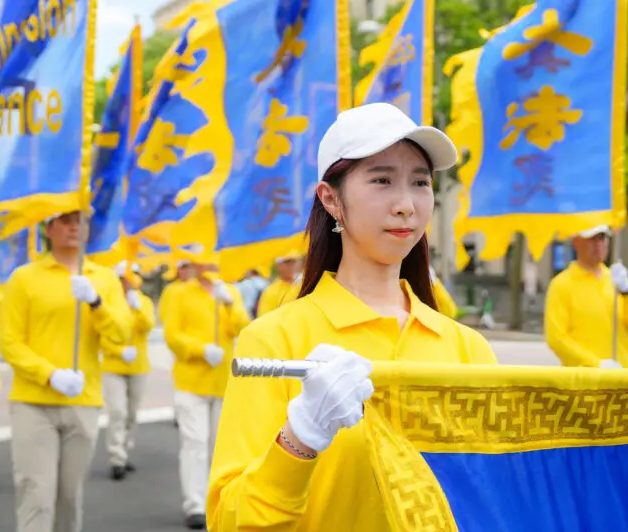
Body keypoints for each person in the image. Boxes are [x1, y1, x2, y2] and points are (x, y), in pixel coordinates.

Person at [207, 102, 498, 531]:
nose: (405, 204)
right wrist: (298, 439)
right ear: (331, 199)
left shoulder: (466, 348)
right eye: (381, 180)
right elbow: (228, 520)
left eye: (420, 182)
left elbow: (491, 498)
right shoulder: (275, 341)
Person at [0, 210, 132, 532]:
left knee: (69, 498)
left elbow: (121, 334)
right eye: (66, 221)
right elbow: (9, 342)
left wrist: (96, 302)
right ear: (49, 228)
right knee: (37, 494)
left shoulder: (104, 279)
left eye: (80, 221)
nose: (74, 227)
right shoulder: (24, 278)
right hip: (34, 402)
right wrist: (49, 374)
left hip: (82, 401)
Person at [165, 253, 250, 529]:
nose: (210, 266)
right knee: (195, 443)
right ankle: (194, 505)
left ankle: (219, 501)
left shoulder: (230, 292)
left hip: (224, 382)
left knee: (220, 447)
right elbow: (172, 336)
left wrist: (229, 305)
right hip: (191, 382)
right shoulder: (178, 293)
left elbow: (244, 329)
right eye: (205, 260)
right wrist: (200, 350)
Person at [544, 225, 628, 368]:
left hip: (623, 376)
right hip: (584, 382)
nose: (598, 244)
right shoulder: (561, 285)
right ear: (576, 242)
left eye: (602, 238)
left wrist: (627, 292)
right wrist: (595, 364)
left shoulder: (616, 279)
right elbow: (557, 339)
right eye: (591, 239)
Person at [101, 262, 155, 481]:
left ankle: (124, 449)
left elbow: (148, 325)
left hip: (138, 366)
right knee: (117, 412)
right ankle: (116, 458)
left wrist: (137, 308)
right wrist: (118, 351)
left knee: (132, 414)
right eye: (124, 278)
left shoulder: (143, 302)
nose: (128, 282)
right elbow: (101, 333)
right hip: (114, 365)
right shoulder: (109, 302)